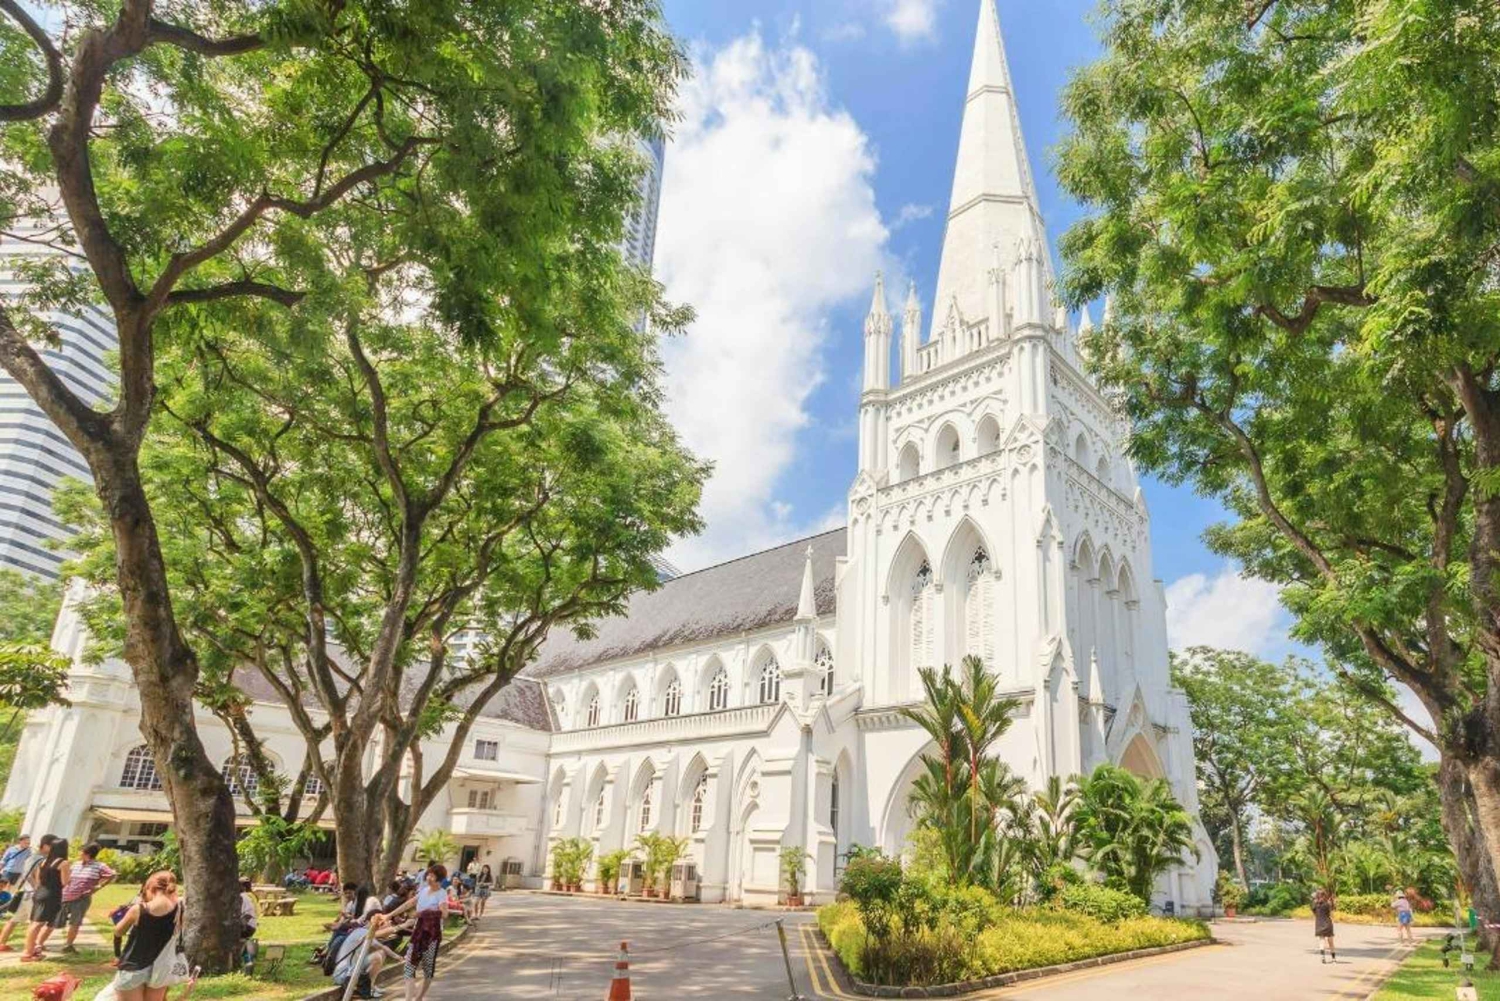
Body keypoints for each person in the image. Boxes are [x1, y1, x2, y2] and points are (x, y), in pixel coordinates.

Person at [111, 869, 182, 1001]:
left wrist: (117, 955)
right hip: (160, 968)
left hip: (133, 968)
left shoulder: (139, 909)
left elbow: (118, 931)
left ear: (151, 887)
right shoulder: (179, 909)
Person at [385, 864, 449, 1001]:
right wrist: (389, 915)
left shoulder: (442, 894)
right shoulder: (424, 891)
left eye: (432, 875)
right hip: (417, 933)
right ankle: (409, 999)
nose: (428, 877)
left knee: (427, 969)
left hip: (432, 936)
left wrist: (423, 914)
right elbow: (408, 904)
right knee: (409, 966)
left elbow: (444, 914)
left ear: (439, 878)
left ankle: (419, 997)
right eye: (429, 874)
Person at [57, 841, 116, 953]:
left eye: (82, 852)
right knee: (55, 920)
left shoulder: (99, 866)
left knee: (75, 922)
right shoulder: (76, 864)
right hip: (65, 896)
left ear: (88, 853)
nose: (79, 854)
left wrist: (98, 887)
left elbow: (111, 875)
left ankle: (68, 944)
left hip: (81, 899)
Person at [0, 833, 54, 951]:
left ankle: (1, 943)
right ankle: (30, 950)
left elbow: (26, 874)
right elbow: (34, 877)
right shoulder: (42, 860)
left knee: (14, 920)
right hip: (32, 894)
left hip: (25, 892)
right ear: (45, 846)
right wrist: (38, 889)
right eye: (52, 846)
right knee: (35, 923)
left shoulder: (30, 856)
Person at [21, 837, 69, 961]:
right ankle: (27, 953)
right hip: (51, 895)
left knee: (34, 923)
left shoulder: (43, 861)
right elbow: (65, 882)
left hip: (40, 892)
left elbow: (38, 879)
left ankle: (31, 950)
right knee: (37, 925)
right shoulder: (63, 863)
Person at [332, 912, 397, 1000]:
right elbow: (382, 946)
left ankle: (371, 986)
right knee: (377, 956)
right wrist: (398, 957)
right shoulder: (363, 932)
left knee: (380, 953)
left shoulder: (362, 931)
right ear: (373, 921)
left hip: (350, 970)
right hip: (344, 975)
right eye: (382, 922)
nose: (384, 925)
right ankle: (368, 988)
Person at [239, 878, 259, 973]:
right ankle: (248, 959)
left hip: (247, 927)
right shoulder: (248, 896)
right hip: (252, 925)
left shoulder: (242, 897)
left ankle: (247, 960)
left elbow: (246, 916)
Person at [1312, 888, 1337, 963]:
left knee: (1321, 941)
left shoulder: (1314, 905)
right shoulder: (1327, 904)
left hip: (1319, 924)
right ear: (1324, 896)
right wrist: (1332, 902)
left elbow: (1315, 914)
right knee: (1331, 942)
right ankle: (1333, 959)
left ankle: (1323, 957)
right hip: (1328, 924)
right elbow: (1331, 913)